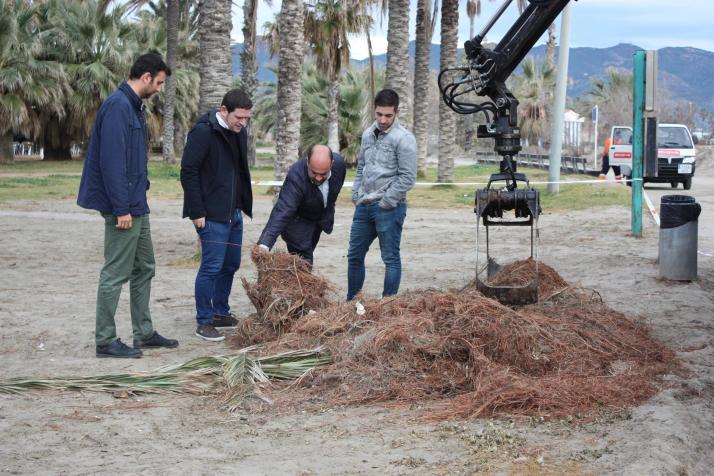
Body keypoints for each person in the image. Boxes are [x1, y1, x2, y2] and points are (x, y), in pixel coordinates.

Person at [77, 53, 178, 359]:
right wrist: (121, 208)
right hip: (124, 207)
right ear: (146, 77)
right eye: (159, 82)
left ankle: (144, 333)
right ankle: (105, 340)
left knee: (145, 266)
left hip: (138, 204)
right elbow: (112, 163)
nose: (160, 88)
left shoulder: (134, 107)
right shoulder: (119, 106)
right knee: (115, 272)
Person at [180, 89, 254, 342]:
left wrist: (243, 205)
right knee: (211, 267)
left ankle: (221, 312)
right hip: (210, 215)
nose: (242, 123)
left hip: (233, 213)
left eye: (246, 119)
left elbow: (239, 171)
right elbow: (188, 171)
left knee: (231, 264)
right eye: (239, 118)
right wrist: (197, 211)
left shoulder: (239, 132)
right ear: (224, 110)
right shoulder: (203, 132)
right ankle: (204, 320)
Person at [346, 88, 417, 301]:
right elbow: (361, 167)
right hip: (364, 205)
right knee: (354, 256)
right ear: (374, 110)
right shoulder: (368, 134)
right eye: (379, 114)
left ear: (396, 112)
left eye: (388, 115)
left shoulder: (404, 138)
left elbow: (408, 177)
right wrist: (356, 194)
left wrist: (386, 202)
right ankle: (352, 303)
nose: (383, 120)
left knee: (390, 258)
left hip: (389, 208)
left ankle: (387, 305)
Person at [256, 145, 346, 265]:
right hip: (296, 223)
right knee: (304, 264)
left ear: (332, 164)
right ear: (307, 162)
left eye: (323, 174)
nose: (319, 178)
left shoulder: (339, 166)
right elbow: (283, 210)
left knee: (303, 261)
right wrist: (264, 245)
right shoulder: (296, 175)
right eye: (314, 173)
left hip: (318, 220)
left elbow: (334, 192)